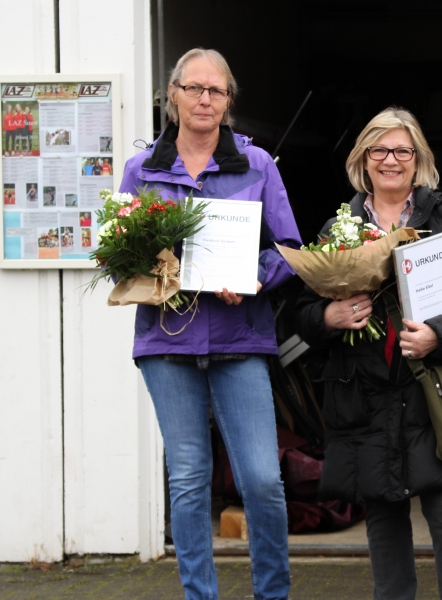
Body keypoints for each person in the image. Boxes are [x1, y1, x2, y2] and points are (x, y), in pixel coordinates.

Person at [295, 107, 442, 600]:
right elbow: (301, 314)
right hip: (363, 396)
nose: (391, 160)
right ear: (363, 159)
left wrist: (441, 333)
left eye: (402, 151)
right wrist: (329, 318)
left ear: (418, 159)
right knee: (383, 518)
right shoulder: (338, 228)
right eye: (380, 150)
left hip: (432, 392)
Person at [118, 47, 301, 600]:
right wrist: (151, 264)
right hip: (166, 341)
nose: (204, 99)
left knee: (263, 481)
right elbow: (119, 251)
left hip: (240, 337)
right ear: (171, 96)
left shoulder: (257, 164)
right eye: (193, 88)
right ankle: (201, 595)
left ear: (228, 102)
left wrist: (251, 278)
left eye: (215, 91)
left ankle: (272, 592)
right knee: (190, 480)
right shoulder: (141, 169)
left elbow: (289, 248)